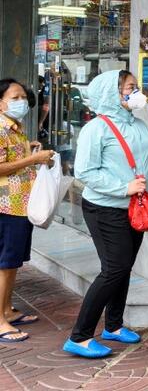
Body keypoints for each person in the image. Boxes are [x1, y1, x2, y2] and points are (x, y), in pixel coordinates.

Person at [63, 71, 148, 358]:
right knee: (114, 269)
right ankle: (79, 336)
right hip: (104, 208)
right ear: (112, 93)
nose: (137, 92)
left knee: (124, 267)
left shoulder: (140, 126)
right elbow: (84, 172)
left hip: (135, 208)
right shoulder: (97, 129)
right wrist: (124, 187)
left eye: (136, 87)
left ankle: (114, 325)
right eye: (130, 87)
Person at [0, 79, 54, 343]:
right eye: (15, 96)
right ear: (0, 101)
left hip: (20, 205)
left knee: (12, 264)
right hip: (5, 206)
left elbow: (11, 160)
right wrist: (33, 159)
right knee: (4, 264)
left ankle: (7, 310)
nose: (22, 101)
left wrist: (28, 150)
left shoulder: (14, 128)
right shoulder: (0, 128)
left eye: (23, 96)